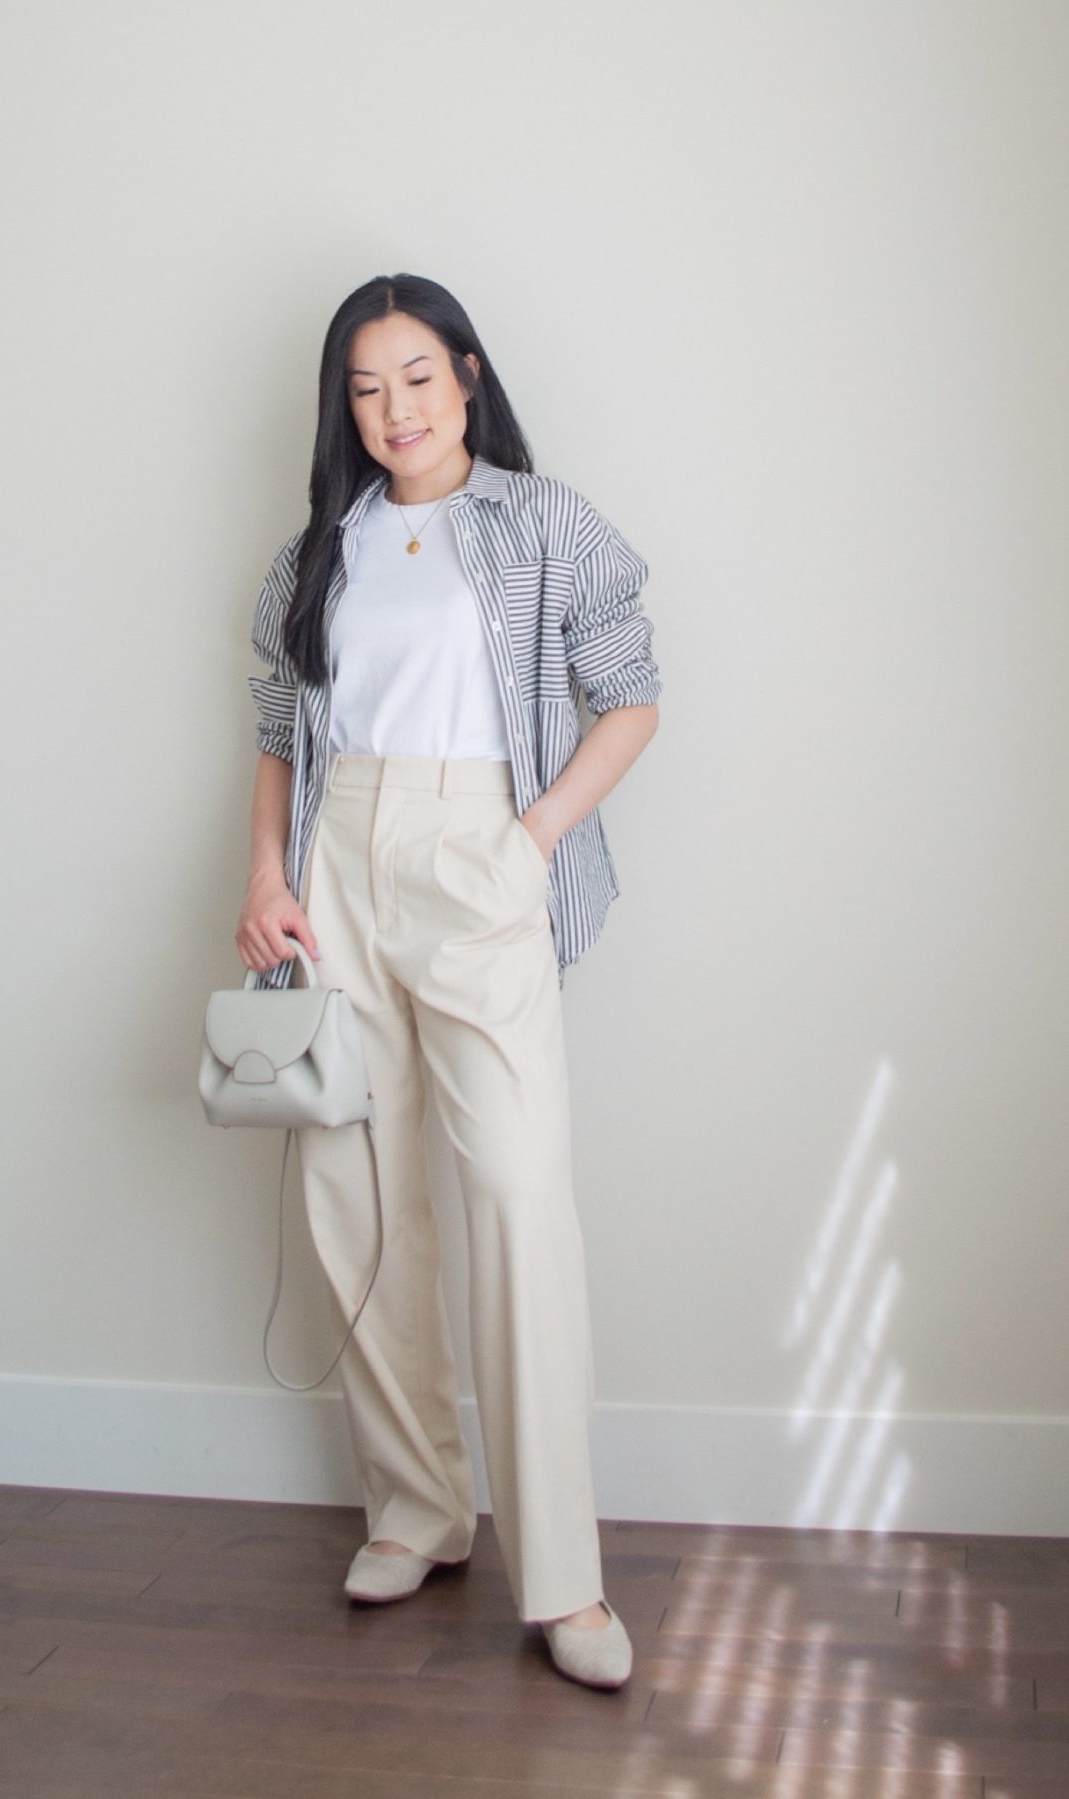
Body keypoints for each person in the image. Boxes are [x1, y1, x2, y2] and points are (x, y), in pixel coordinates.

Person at [235, 272, 660, 1690]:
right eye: (365, 388)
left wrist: (531, 839)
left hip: (482, 849)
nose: (394, 409)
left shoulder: (540, 523)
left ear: (467, 375)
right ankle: (416, 1510)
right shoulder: (324, 550)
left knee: (518, 1195)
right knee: (353, 1193)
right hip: (339, 855)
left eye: (416, 376)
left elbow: (633, 693)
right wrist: (266, 877)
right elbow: (282, 728)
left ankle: (566, 1583)